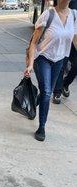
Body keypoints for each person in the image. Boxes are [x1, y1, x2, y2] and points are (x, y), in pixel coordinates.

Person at [25, 1, 77, 141]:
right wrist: (30, 65)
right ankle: (42, 127)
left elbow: (75, 39)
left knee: (46, 92)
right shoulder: (48, 15)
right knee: (47, 92)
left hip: (59, 60)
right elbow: (34, 42)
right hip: (42, 58)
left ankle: (32, 105)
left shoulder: (74, 15)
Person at [53, 0, 77, 103]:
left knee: (76, 66)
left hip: (74, 38)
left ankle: (65, 84)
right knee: (61, 66)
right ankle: (57, 92)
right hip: (67, 38)